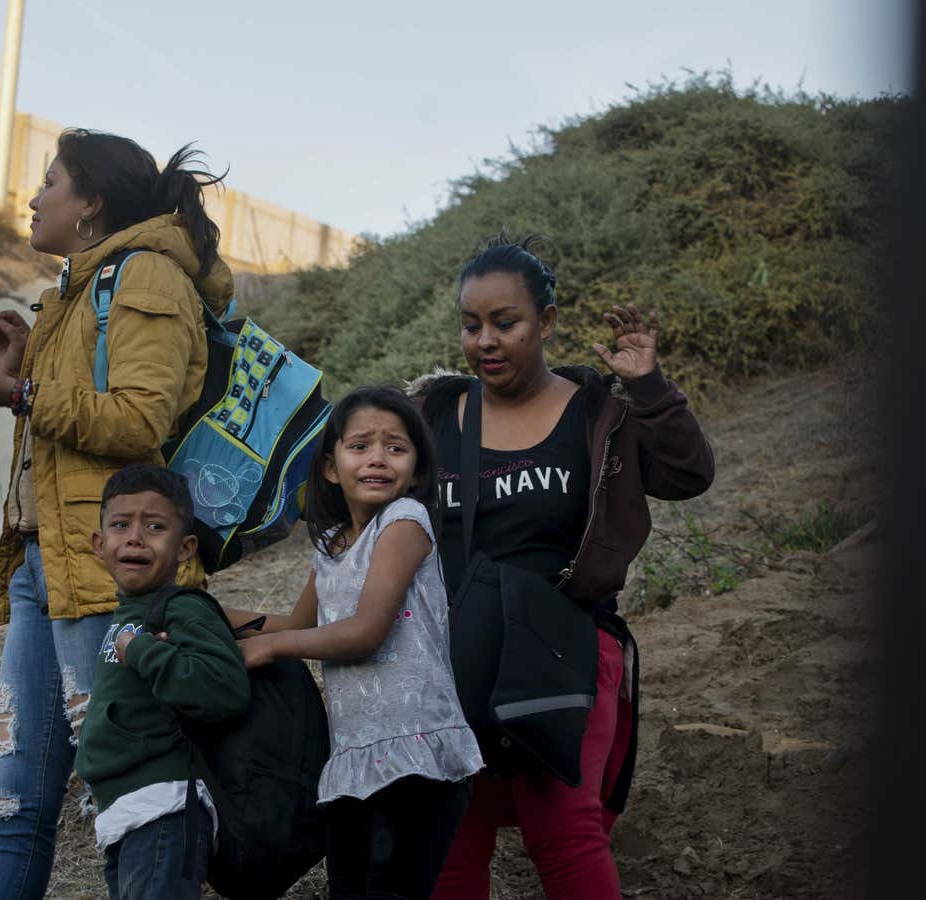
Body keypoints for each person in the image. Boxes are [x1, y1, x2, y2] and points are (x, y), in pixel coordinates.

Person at [0, 128, 231, 900]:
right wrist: (24, 363)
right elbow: (78, 423)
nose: (34, 198)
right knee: (16, 804)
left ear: (92, 201)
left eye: (50, 182)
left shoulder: (148, 278)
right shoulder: (76, 288)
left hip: (112, 575)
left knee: (128, 796)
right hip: (45, 564)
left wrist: (18, 394)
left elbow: (137, 420)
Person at [417, 233, 715, 900]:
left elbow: (688, 475)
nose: (486, 341)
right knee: (448, 831)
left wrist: (650, 386)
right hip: (454, 654)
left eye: (505, 322)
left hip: (566, 644)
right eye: (472, 325)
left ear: (547, 321)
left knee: (565, 829)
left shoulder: (597, 414)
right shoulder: (434, 415)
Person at [222, 386, 483, 900]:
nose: (378, 459)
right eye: (360, 445)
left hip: (414, 756)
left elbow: (364, 632)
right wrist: (210, 614)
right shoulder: (334, 545)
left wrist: (272, 649)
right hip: (354, 760)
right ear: (329, 467)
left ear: (417, 467)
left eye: (396, 447)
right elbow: (293, 623)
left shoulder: (405, 522)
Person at [73, 464, 250, 900]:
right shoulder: (127, 613)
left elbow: (225, 687)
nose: (135, 537)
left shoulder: (180, 609)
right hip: (127, 813)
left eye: (155, 526)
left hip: (164, 807)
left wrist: (145, 652)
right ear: (100, 543)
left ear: (185, 547)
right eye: (120, 525)